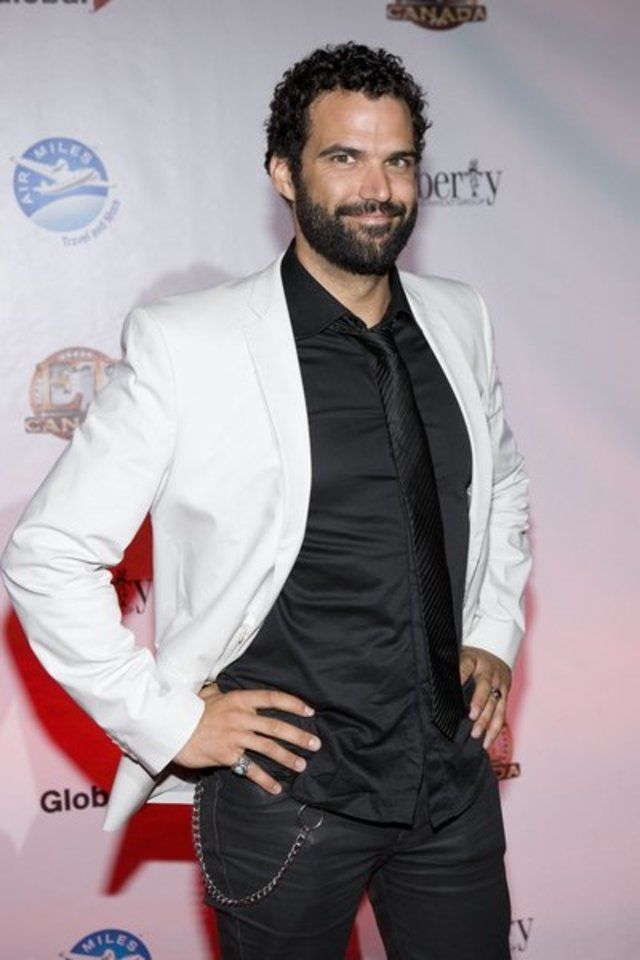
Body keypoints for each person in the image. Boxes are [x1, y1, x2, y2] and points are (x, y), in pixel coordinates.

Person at [1, 42, 531, 960]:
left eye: (398, 160)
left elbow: (503, 483)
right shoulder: (190, 344)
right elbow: (46, 556)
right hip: (289, 801)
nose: (378, 189)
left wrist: (491, 625)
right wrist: (173, 722)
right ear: (284, 172)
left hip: (450, 787)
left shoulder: (459, 316)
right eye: (344, 157)